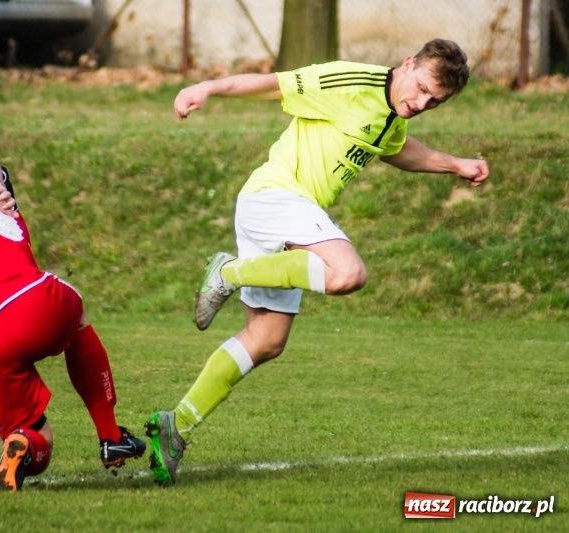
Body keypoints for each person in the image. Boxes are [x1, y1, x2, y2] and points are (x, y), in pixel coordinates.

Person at [144, 39, 490, 485]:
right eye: (421, 88)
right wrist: (209, 87)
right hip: (277, 197)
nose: (421, 103)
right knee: (347, 272)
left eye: (434, 102)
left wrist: (454, 164)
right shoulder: (351, 81)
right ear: (408, 64)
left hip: (280, 213)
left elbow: (395, 148)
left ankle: (176, 425)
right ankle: (228, 272)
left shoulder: (394, 114)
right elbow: (273, 85)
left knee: (266, 340)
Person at [0, 150, 146, 492]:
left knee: (37, 438)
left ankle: (23, 446)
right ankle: (110, 435)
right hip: (27, 307)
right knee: (78, 310)